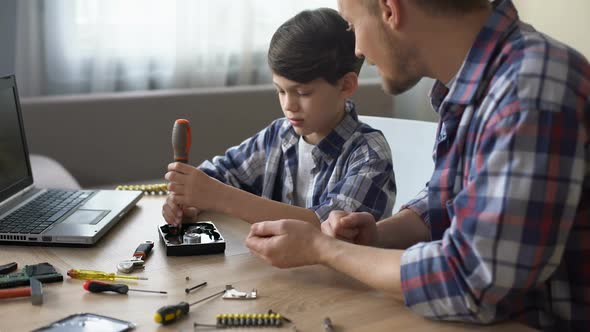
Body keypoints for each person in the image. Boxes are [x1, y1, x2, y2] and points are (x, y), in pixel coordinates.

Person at [245, 0, 590, 330]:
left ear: (390, 9)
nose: (357, 51)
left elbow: (469, 283)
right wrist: (378, 234)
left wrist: (324, 249)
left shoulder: (530, 88)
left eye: (352, 25)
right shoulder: (481, 83)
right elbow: (455, 199)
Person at [163, 8, 396, 227]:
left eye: (303, 93)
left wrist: (220, 197)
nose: (288, 105)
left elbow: (330, 229)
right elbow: (220, 174)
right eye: (280, 91)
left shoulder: (370, 154)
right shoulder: (280, 134)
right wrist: (191, 201)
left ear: (345, 85)